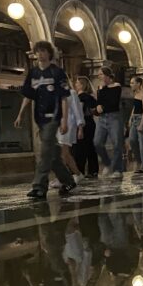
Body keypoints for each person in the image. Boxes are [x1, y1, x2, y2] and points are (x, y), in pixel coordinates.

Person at [14, 40, 75, 199]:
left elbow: (64, 98)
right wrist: (20, 114)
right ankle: (68, 180)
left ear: (49, 53)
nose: (40, 54)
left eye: (43, 51)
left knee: (44, 151)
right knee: (52, 154)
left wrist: (64, 120)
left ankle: (39, 186)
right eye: (38, 51)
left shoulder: (57, 73)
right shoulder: (33, 73)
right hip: (39, 118)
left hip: (53, 116)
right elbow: (28, 96)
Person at [94, 66, 125, 176]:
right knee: (97, 142)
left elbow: (113, 102)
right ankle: (107, 163)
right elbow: (99, 102)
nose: (99, 76)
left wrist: (102, 106)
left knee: (117, 143)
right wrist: (97, 107)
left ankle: (117, 169)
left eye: (101, 74)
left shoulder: (116, 86)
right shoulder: (100, 88)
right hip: (102, 118)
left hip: (114, 117)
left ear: (107, 75)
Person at [58, 79, 85, 179]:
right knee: (62, 154)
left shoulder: (72, 93)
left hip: (68, 125)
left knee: (64, 153)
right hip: (58, 125)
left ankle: (66, 176)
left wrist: (80, 127)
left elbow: (77, 110)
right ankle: (76, 174)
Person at [72, 76, 99, 177]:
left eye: (77, 83)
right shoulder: (91, 97)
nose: (75, 85)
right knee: (90, 147)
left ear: (82, 85)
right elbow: (95, 110)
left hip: (82, 124)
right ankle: (93, 170)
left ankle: (80, 170)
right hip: (90, 123)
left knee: (80, 148)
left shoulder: (81, 97)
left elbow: (80, 112)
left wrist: (80, 127)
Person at [127, 75, 143, 173]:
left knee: (142, 142)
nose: (130, 84)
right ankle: (139, 161)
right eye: (130, 82)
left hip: (142, 118)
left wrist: (141, 124)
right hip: (135, 118)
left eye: (133, 83)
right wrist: (130, 118)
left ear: (138, 84)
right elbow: (135, 107)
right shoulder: (135, 94)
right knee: (132, 140)